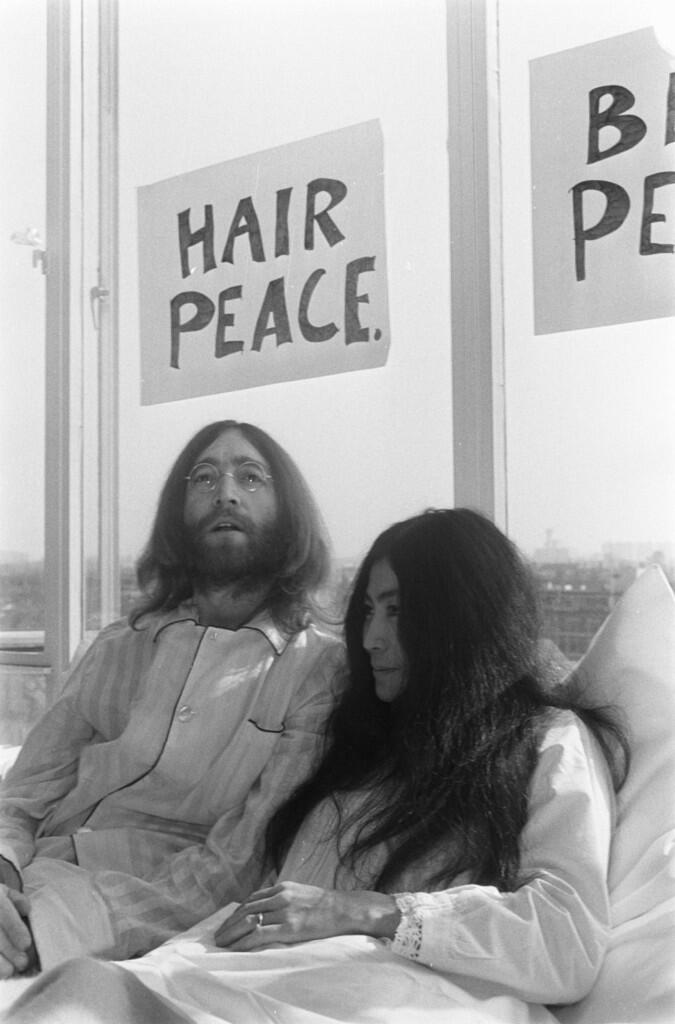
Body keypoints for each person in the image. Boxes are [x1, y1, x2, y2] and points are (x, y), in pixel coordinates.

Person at [0, 508, 629, 1024]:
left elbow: (567, 936)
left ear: (463, 616)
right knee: (78, 993)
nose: (372, 638)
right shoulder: (359, 745)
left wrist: (363, 910)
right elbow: (235, 864)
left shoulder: (547, 740)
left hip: (382, 995)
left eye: (398, 611)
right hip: (226, 977)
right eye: (368, 611)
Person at [0, 420, 342, 978]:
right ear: (176, 515)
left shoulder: (318, 669)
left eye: (251, 477)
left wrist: (55, 924)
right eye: (203, 478)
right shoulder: (119, 645)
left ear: (288, 511)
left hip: (127, 911)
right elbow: (23, 794)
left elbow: (240, 862)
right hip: (31, 872)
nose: (225, 493)